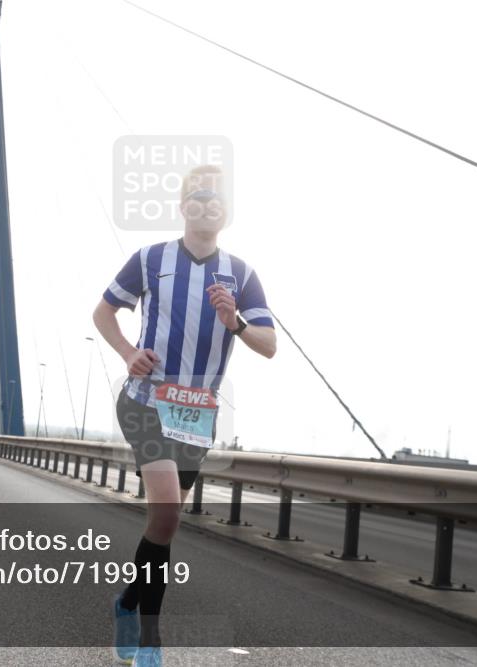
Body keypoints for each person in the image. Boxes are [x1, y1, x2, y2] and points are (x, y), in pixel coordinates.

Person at [93, 165, 276, 666]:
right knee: (169, 512)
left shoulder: (242, 275)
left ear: (227, 210)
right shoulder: (151, 259)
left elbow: (269, 345)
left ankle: (127, 602)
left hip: (196, 416)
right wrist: (128, 352)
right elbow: (103, 312)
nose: (207, 204)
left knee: (163, 525)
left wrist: (235, 322)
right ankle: (150, 642)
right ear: (183, 206)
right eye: (197, 196)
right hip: (145, 401)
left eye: (216, 198)